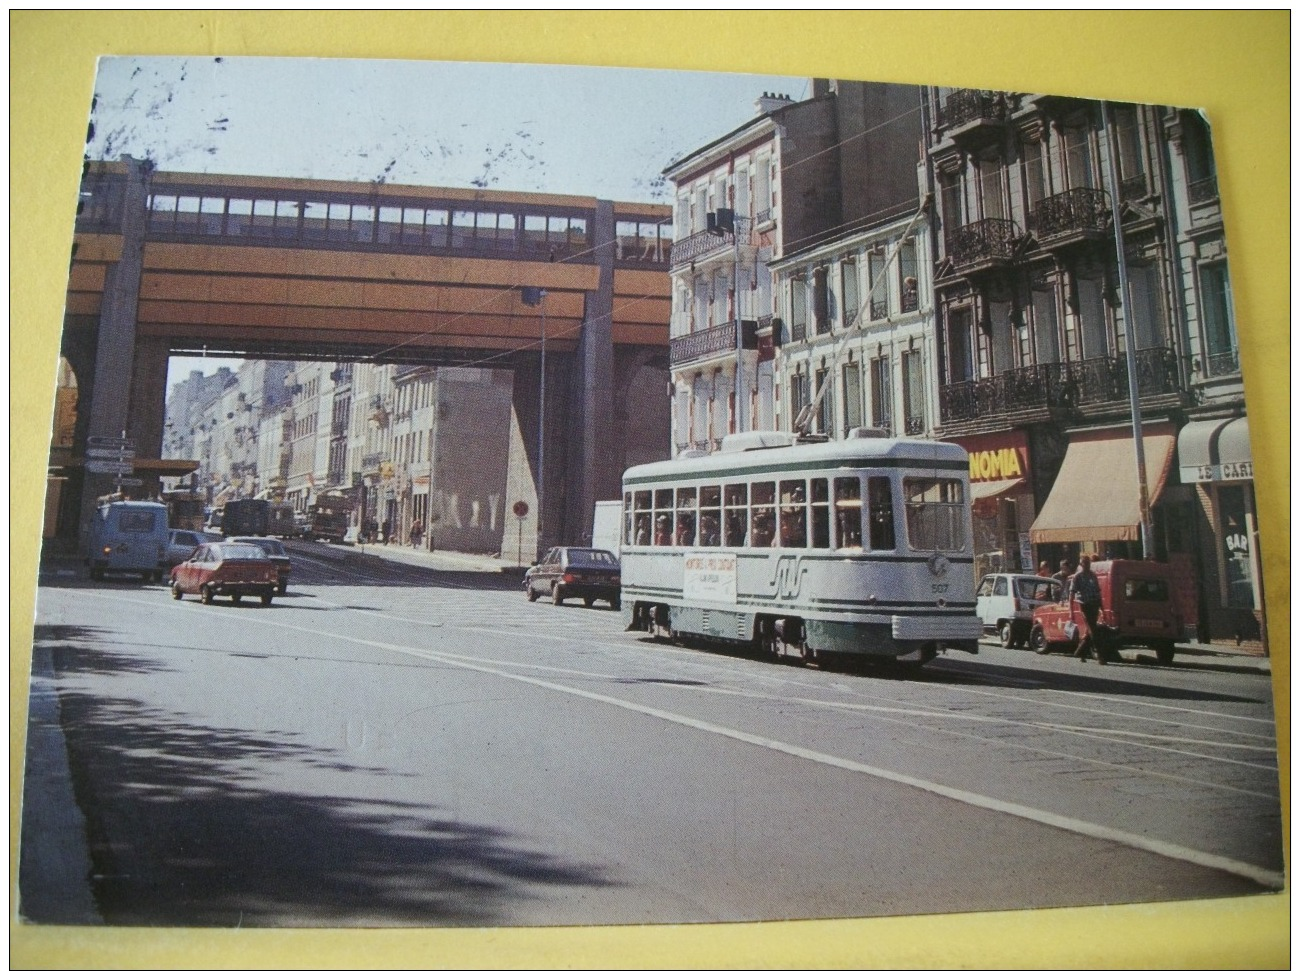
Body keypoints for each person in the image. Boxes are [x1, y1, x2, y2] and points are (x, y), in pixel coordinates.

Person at [1069, 555, 1105, 664]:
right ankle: (1100, 656)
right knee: (1093, 630)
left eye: (1088, 563)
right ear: (1081, 564)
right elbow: (1072, 594)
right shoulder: (1078, 577)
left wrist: (1101, 607)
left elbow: (1098, 592)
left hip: (1094, 604)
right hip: (1084, 605)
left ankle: (1080, 652)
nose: (1087, 565)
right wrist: (1071, 612)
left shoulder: (1093, 576)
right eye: (1084, 563)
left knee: (1091, 629)